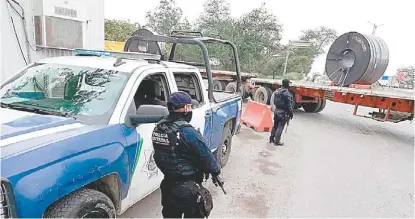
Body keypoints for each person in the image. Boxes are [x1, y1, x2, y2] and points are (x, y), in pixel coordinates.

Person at [152, 91, 221, 218]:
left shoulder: (159, 127)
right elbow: (205, 155)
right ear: (185, 108)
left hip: (168, 185)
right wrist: (215, 171)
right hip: (187, 188)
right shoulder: (187, 131)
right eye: (189, 107)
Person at [269, 79, 294, 146]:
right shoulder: (286, 93)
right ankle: (277, 141)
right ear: (287, 84)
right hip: (283, 112)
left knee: (275, 125)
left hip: (277, 110)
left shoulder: (277, 90)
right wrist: (291, 113)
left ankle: (271, 139)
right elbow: (289, 105)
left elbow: (273, 99)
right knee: (280, 126)